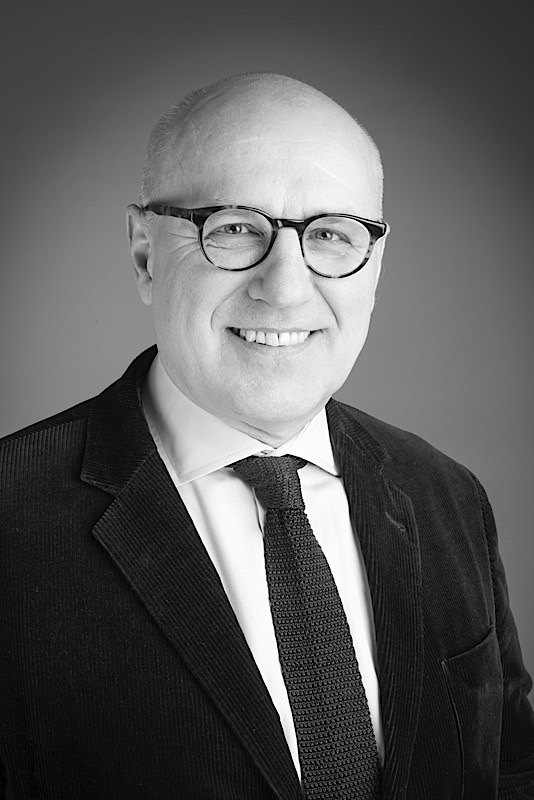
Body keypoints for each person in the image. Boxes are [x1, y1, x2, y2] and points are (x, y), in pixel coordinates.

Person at [1, 72, 533, 800]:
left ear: (374, 266)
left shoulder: (447, 496)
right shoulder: (12, 519)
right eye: (234, 228)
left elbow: (510, 772)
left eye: (332, 235)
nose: (285, 287)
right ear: (145, 253)